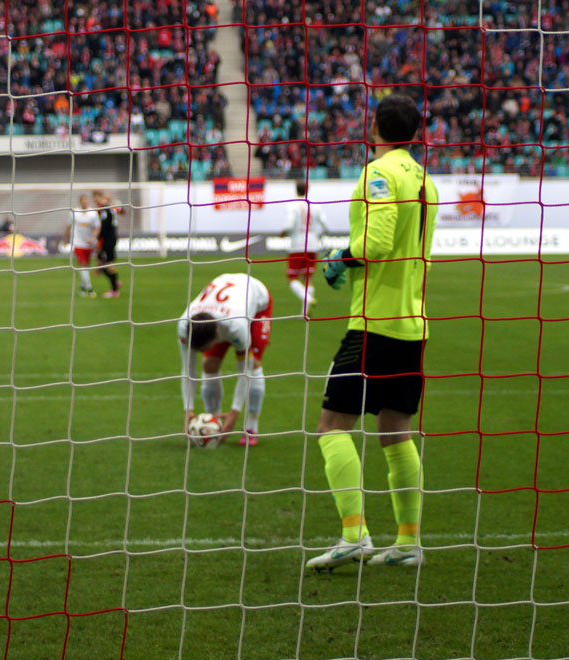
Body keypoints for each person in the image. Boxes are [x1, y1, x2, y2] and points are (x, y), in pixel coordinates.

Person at [305, 93, 439, 571]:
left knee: (331, 426)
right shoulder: (425, 180)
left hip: (374, 324)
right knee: (395, 431)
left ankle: (353, 535)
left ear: (374, 127)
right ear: (416, 132)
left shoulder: (378, 173)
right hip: (413, 324)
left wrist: (339, 258)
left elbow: (378, 242)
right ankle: (407, 543)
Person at [177, 273, 272, 447]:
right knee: (209, 364)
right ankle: (214, 423)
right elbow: (188, 371)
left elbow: (245, 372)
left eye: (204, 348)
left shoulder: (237, 327)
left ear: (216, 334)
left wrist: (235, 412)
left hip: (258, 302)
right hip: (223, 306)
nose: (201, 352)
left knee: (253, 364)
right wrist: (187, 410)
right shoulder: (184, 326)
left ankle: (251, 427)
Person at [281, 181, 329, 314]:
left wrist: (283, 233)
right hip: (312, 245)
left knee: (292, 278)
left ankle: (308, 299)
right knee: (308, 278)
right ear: (307, 190)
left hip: (297, 245)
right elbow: (326, 225)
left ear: (296, 190)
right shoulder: (315, 205)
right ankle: (304, 312)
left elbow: (289, 225)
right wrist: (316, 235)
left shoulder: (292, 205)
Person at [62, 194, 99, 297]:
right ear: (80, 202)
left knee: (85, 267)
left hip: (89, 244)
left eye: (86, 200)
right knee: (83, 265)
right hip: (78, 243)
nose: (84, 202)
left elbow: (97, 227)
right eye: (83, 200)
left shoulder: (93, 213)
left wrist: (93, 238)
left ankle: (82, 288)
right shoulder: (74, 212)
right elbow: (68, 226)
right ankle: (89, 289)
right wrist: (65, 239)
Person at [91, 190, 123, 298]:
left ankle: (114, 289)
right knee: (101, 262)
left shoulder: (106, 207)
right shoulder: (104, 207)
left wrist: (97, 239)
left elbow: (105, 226)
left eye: (95, 197)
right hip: (109, 238)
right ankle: (115, 282)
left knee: (108, 264)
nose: (94, 200)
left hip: (109, 238)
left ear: (100, 197)